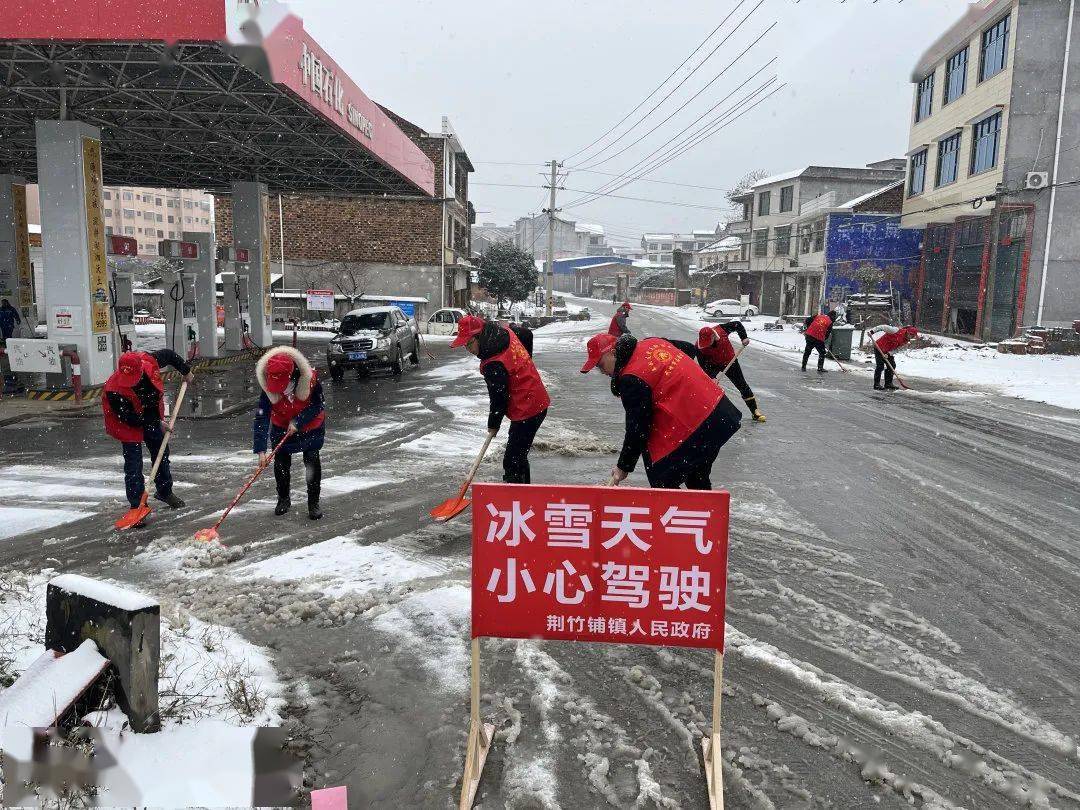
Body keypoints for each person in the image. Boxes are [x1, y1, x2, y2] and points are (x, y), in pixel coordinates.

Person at [581, 333, 741, 490]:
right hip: (719, 412)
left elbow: (638, 428)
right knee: (696, 476)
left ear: (613, 352)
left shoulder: (631, 377)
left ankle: (680, 513)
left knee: (662, 479)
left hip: (699, 423)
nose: (601, 371)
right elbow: (689, 349)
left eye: (600, 365)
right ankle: (707, 511)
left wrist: (623, 466)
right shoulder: (653, 343)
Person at [453, 315, 550, 484]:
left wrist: (493, 424)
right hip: (536, 399)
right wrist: (525, 363)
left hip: (527, 409)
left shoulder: (493, 362)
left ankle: (516, 498)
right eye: (464, 346)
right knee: (518, 455)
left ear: (479, 336)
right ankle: (523, 493)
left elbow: (499, 397)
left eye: (468, 344)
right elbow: (526, 334)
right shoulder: (504, 333)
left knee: (512, 459)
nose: (468, 349)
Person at [103, 349, 194, 515]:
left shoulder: (149, 363)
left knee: (161, 451)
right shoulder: (113, 389)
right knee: (133, 463)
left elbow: (169, 355)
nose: (129, 382)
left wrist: (185, 370)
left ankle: (165, 492)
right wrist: (156, 422)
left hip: (150, 413)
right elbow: (129, 418)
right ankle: (137, 505)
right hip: (127, 422)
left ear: (140, 369)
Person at [254, 346, 326, 520]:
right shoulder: (267, 385)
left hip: (311, 426)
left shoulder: (310, 380)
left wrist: (299, 421)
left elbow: (317, 405)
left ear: (291, 376)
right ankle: (283, 499)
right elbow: (261, 417)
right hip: (281, 425)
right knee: (281, 464)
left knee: (311, 461)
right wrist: (261, 450)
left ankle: (313, 503)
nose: (277, 389)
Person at [695, 323, 766, 422]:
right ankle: (705, 413)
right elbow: (703, 364)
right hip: (713, 364)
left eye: (708, 342)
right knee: (708, 386)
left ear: (713, 336)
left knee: (742, 385)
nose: (706, 345)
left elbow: (737, 324)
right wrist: (711, 376)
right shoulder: (699, 346)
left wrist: (744, 337)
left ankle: (755, 412)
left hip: (730, 361)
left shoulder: (721, 330)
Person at [868, 324, 919, 390]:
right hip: (879, 347)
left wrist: (889, 354)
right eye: (911, 335)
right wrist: (872, 332)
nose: (912, 337)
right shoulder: (895, 331)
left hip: (887, 351)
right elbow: (882, 327)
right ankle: (876, 384)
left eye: (913, 336)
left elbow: (897, 349)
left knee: (892, 365)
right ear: (908, 332)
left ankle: (888, 384)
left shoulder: (906, 341)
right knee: (880, 366)